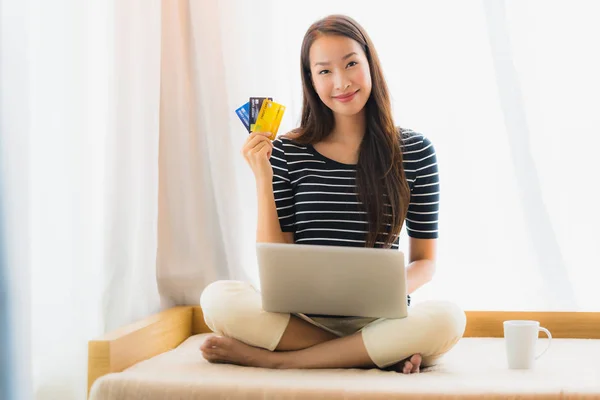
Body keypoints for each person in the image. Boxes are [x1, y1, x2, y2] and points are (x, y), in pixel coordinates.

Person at [199, 14, 466, 374]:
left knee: (448, 319)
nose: (340, 82)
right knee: (218, 299)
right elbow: (276, 257)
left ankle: (277, 361)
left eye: (351, 64)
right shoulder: (289, 151)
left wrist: (384, 288)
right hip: (302, 320)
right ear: (310, 80)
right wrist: (263, 176)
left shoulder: (415, 151)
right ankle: (370, 355)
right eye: (324, 71)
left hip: (378, 320)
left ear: (370, 64)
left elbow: (425, 261)